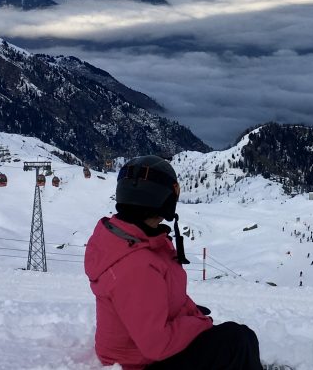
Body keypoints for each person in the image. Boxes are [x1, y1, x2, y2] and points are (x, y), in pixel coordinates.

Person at [85, 155, 265, 370]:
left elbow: (157, 294)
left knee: (235, 340)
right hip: (138, 363)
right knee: (238, 339)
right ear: (164, 198)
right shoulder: (137, 264)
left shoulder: (135, 239)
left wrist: (186, 313)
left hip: (134, 351)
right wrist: (198, 323)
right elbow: (156, 345)